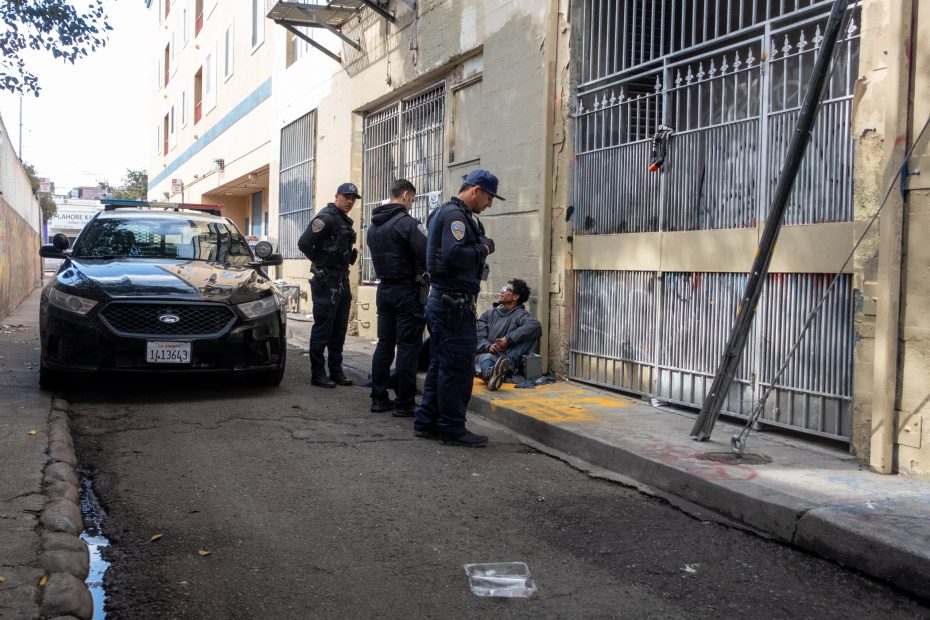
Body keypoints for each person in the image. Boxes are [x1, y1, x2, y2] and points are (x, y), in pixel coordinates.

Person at [414, 169, 503, 447]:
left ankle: (427, 422)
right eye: (489, 197)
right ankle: (452, 429)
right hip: (452, 305)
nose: (489, 204)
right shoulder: (455, 217)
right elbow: (454, 255)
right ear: (475, 190)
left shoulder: (450, 213)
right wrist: (483, 249)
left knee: (441, 364)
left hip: (444, 302)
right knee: (458, 369)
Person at [366, 179, 428, 416]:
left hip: (384, 290)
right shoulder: (409, 224)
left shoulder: (373, 226)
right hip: (406, 291)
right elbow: (427, 253)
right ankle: (404, 402)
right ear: (404, 195)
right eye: (411, 199)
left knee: (384, 344)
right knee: (407, 347)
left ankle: (379, 398)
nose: (411, 204)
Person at [298, 182, 361, 388]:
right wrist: (320, 261)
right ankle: (318, 374)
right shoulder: (326, 218)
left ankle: (336, 371)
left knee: (339, 329)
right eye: (346, 197)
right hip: (327, 281)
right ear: (337, 196)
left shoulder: (343, 220)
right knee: (323, 329)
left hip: (341, 279)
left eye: (353, 198)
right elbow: (304, 243)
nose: (350, 201)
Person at [475, 278, 542, 390]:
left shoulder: (520, 315)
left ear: (515, 297)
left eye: (506, 289)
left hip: (505, 359)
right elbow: (478, 335)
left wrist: (508, 339)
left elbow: (535, 326)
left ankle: (494, 373)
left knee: (530, 333)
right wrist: (488, 346)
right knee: (483, 357)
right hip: (486, 355)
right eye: (502, 288)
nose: (502, 291)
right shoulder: (489, 314)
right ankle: (491, 374)